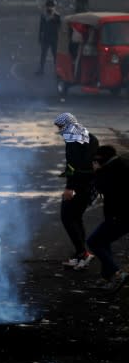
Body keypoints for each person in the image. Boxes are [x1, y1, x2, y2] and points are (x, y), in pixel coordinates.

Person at [55, 113, 99, 270]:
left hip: (79, 185)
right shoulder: (87, 135)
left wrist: (69, 187)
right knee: (76, 217)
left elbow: (74, 166)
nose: (59, 130)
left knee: (67, 217)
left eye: (60, 126)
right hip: (89, 184)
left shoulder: (74, 140)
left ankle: (83, 254)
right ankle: (81, 253)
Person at [87, 145, 129, 290]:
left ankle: (117, 274)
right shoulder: (122, 163)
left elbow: (102, 187)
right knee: (103, 241)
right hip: (119, 214)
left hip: (120, 215)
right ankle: (107, 277)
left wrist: (97, 171)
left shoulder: (112, 169)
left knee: (93, 241)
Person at [36, 0, 61, 75]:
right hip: (46, 38)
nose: (50, 8)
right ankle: (41, 69)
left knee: (55, 56)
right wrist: (40, 38)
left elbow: (59, 27)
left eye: (51, 6)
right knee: (43, 54)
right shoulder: (43, 15)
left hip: (54, 38)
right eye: (49, 6)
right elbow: (41, 28)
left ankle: (57, 70)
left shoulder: (57, 16)